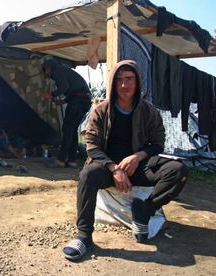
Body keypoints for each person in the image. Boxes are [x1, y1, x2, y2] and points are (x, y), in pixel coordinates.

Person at [62, 60, 188, 261]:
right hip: (107, 167)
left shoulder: (148, 111)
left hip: (138, 167)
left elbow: (157, 143)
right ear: (113, 84)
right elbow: (92, 145)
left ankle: (144, 210)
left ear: (137, 82)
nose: (124, 85)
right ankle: (84, 236)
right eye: (119, 80)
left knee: (178, 170)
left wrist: (137, 157)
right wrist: (114, 168)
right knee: (87, 175)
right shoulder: (101, 110)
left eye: (129, 79)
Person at [42, 57, 92, 168]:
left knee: (67, 129)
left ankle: (60, 160)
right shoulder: (64, 70)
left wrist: (52, 95)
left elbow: (65, 86)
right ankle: (72, 160)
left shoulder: (57, 70)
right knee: (73, 130)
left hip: (78, 101)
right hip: (84, 101)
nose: (46, 73)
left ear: (49, 68)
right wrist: (63, 101)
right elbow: (75, 90)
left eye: (46, 70)